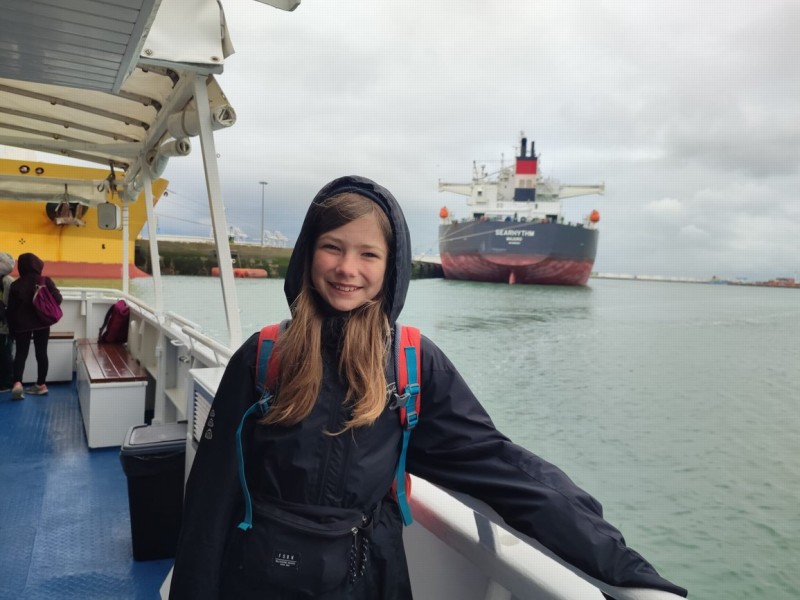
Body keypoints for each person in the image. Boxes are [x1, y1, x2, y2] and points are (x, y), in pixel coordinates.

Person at [170, 176, 687, 600]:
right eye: (332, 247)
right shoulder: (263, 358)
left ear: (391, 266)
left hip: (368, 582)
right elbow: (210, 503)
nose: (348, 268)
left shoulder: (412, 365)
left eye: (368, 254)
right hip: (257, 581)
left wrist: (621, 563)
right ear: (309, 253)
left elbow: (496, 465)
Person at [6, 252, 62, 400]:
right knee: (41, 353)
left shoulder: (15, 285)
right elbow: (58, 299)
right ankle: (41, 385)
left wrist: (12, 329)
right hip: (42, 323)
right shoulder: (45, 281)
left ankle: (17, 384)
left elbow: (11, 310)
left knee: (20, 354)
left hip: (21, 325)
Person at [0, 252, 15, 394]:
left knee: (5, 355)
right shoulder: (7, 281)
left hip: (4, 327)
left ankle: (7, 383)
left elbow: (9, 305)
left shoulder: (7, 282)